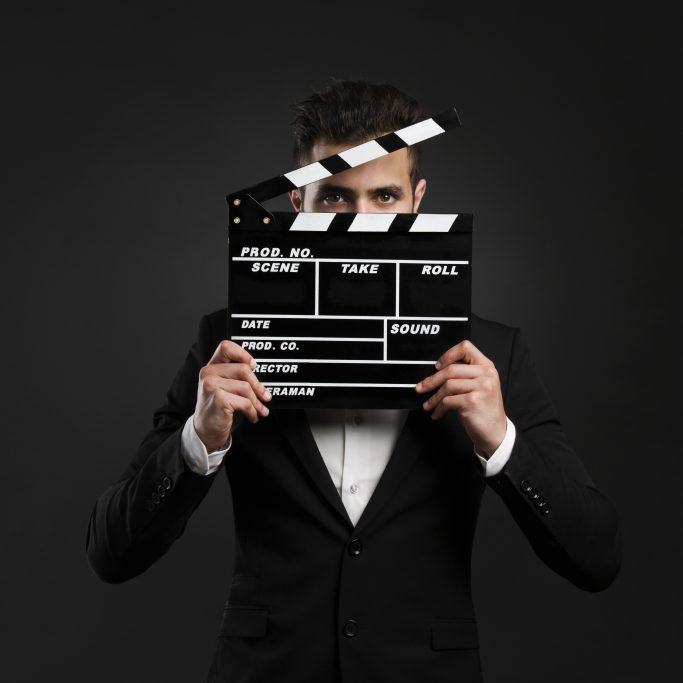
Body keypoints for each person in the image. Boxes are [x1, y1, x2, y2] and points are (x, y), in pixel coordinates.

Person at [86, 80, 621, 683]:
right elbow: (111, 553)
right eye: (337, 198)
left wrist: (501, 441)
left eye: (385, 196)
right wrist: (197, 441)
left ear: (417, 202)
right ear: (297, 204)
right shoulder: (228, 346)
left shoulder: (490, 355)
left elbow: (596, 558)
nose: (363, 223)